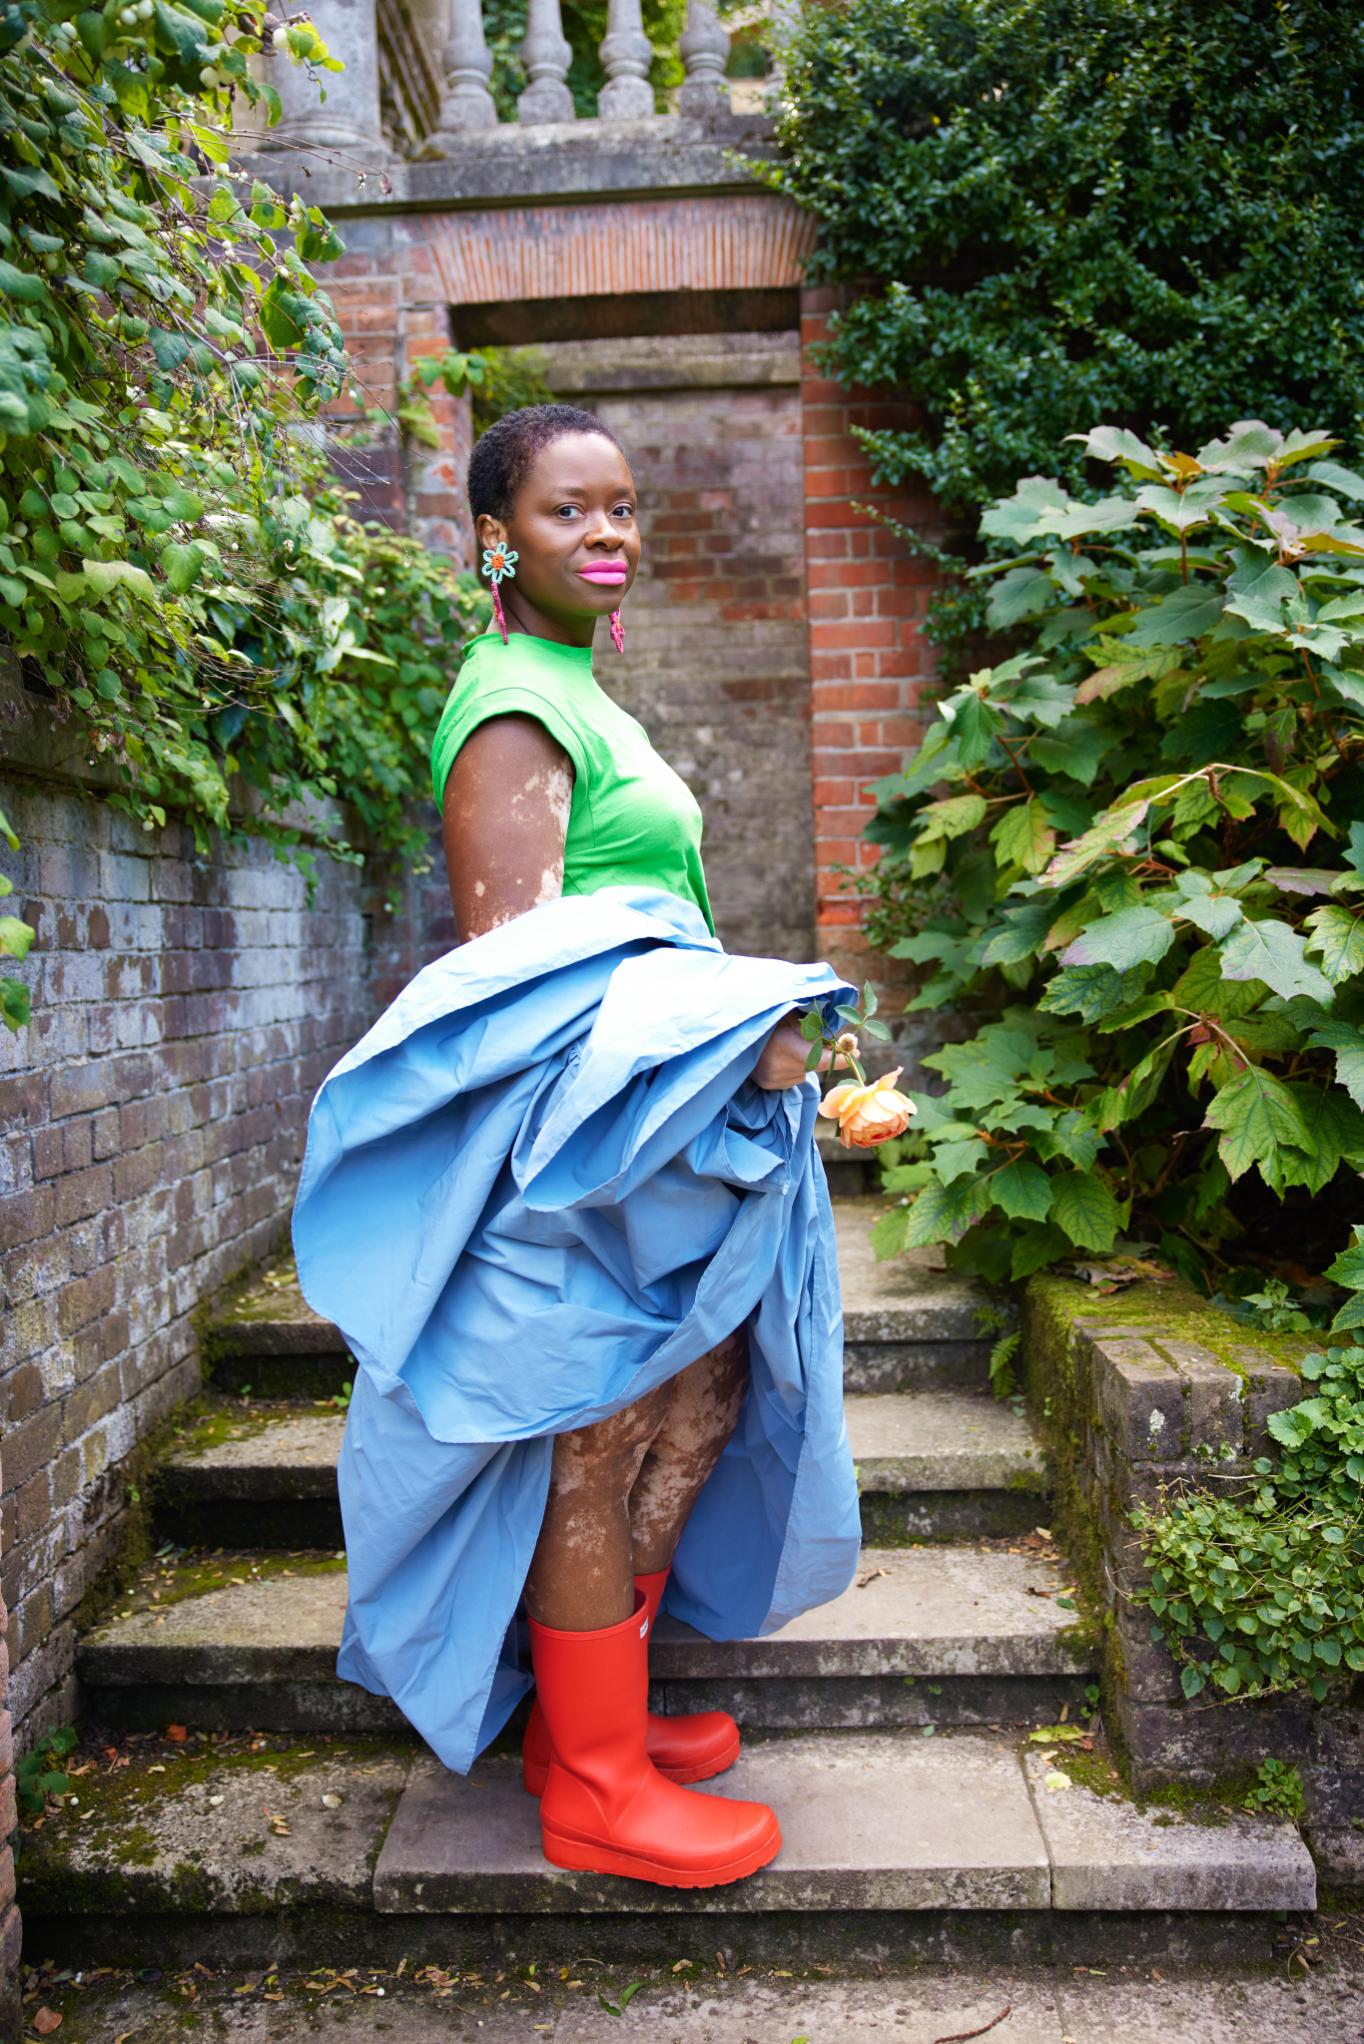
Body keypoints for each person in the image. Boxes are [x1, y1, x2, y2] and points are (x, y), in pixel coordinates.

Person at [431, 404, 838, 1889]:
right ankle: (594, 1784)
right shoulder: (512, 708)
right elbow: (518, 979)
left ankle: (583, 1719)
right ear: (496, 537)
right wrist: (734, 1042)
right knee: (601, 1434)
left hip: (670, 1132)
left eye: (620, 507)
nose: (606, 534)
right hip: (590, 1150)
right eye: (567, 510)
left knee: (700, 1400)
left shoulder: (577, 689)